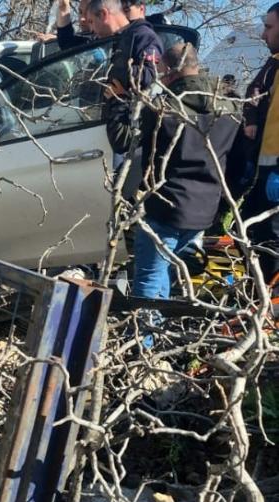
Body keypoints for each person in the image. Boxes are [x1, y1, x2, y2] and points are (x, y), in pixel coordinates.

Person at [106, 43, 240, 299]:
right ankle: (160, 321)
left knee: (149, 280)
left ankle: (146, 325)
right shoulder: (229, 108)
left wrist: (117, 102)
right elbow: (237, 163)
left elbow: (122, 140)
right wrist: (222, 204)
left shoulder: (162, 108)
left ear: (169, 70)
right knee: (169, 274)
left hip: (166, 208)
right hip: (204, 211)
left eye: (160, 71)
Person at [240, 3, 279, 281]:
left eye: (269, 27)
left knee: (271, 243)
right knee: (252, 232)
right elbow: (254, 91)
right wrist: (252, 117)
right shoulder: (273, 64)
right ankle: (259, 297)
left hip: (274, 169)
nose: (263, 35)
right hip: (266, 170)